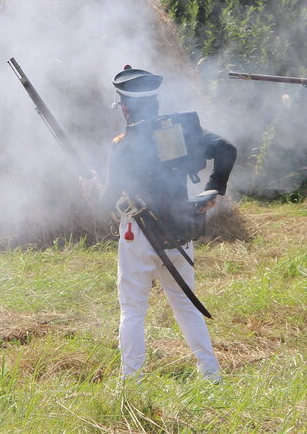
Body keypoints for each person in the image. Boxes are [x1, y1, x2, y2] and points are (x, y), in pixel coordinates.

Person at [90, 65, 237, 381]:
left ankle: (131, 380)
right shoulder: (179, 131)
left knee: (132, 311)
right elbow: (227, 149)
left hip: (139, 236)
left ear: (125, 106)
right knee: (186, 306)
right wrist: (214, 189)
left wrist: (92, 189)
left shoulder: (121, 144)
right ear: (155, 101)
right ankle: (210, 374)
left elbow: (108, 202)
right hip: (180, 230)